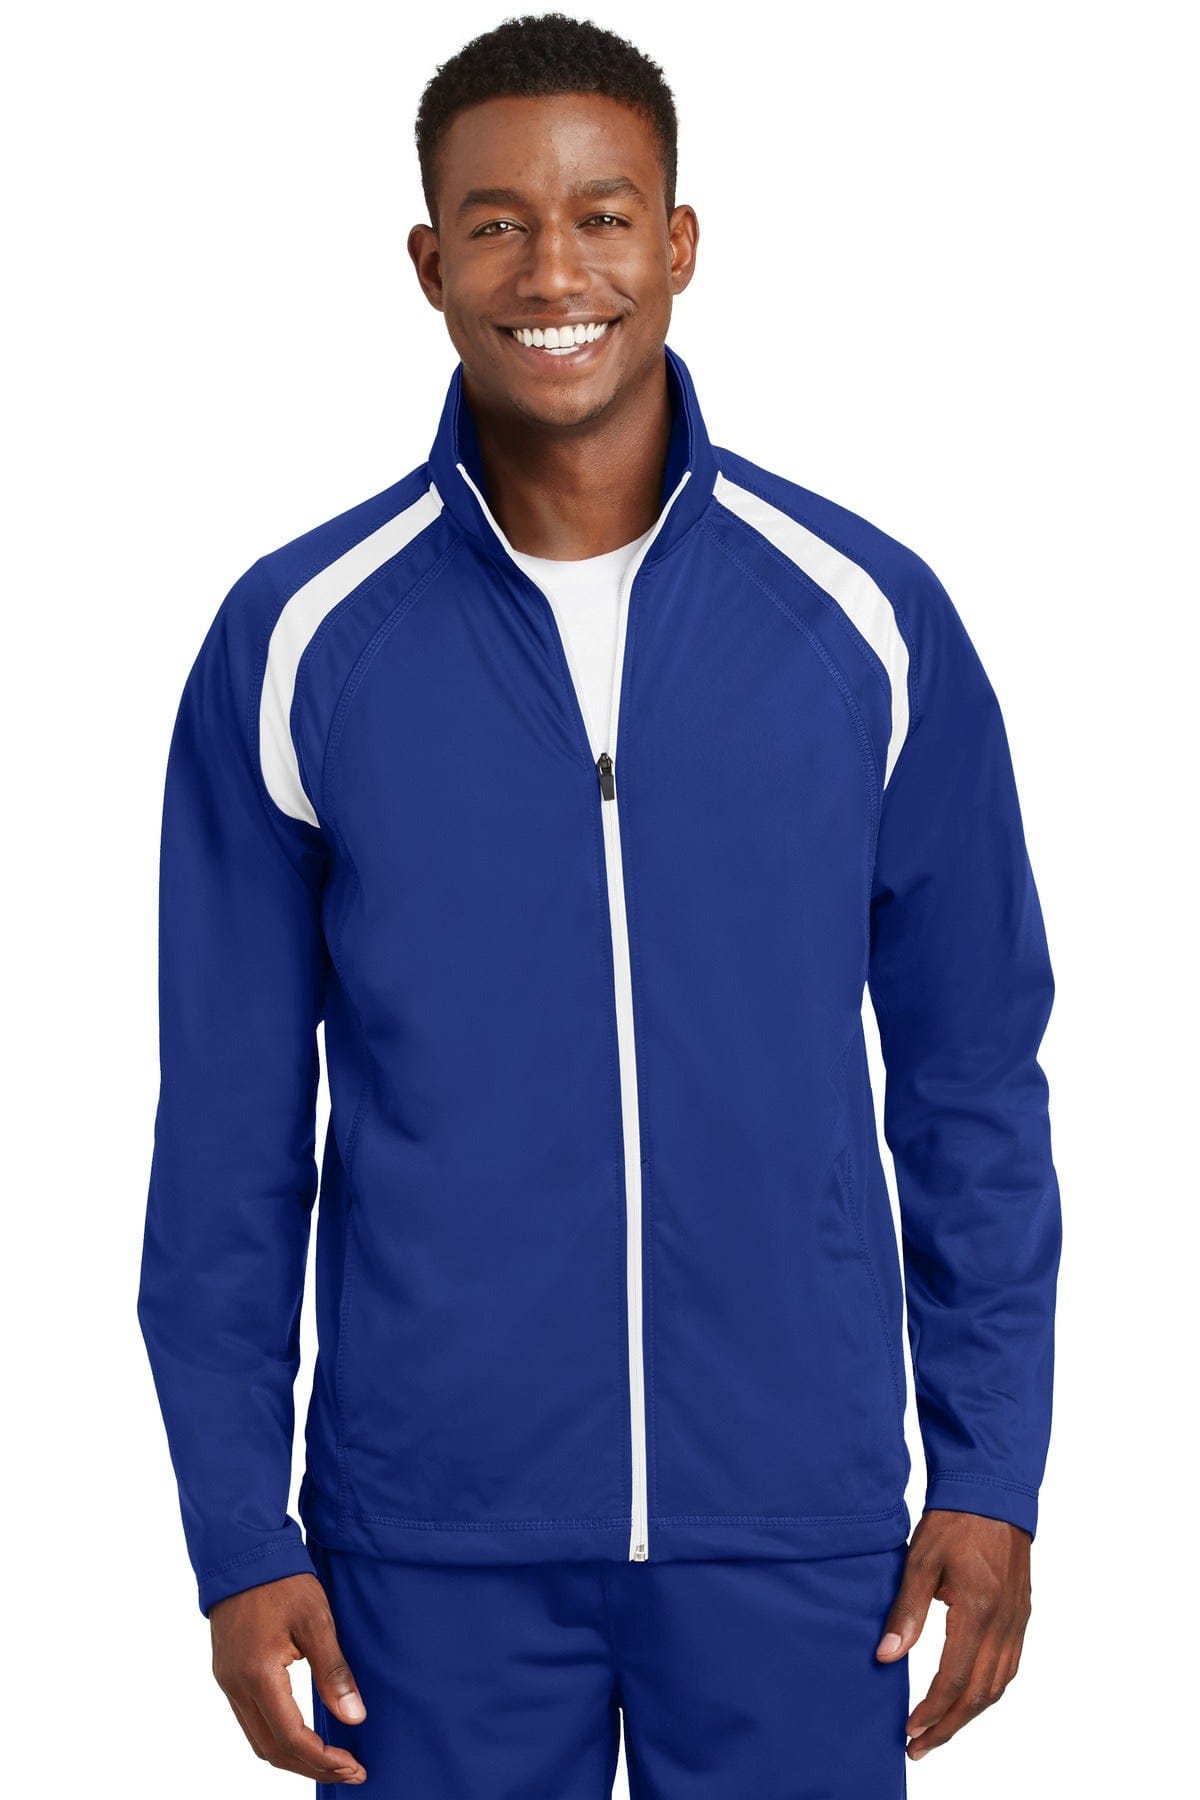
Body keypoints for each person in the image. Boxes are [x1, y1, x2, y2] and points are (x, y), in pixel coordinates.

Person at [137, 12, 1062, 1795]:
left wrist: (992, 1469)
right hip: (426, 1542)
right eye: (497, 224)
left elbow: (972, 1081)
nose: (553, 271)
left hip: (797, 1530)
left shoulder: (864, 617)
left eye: (603, 216)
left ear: (681, 242)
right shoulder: (300, 639)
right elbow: (228, 1134)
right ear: (429, 263)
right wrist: (235, 1531)